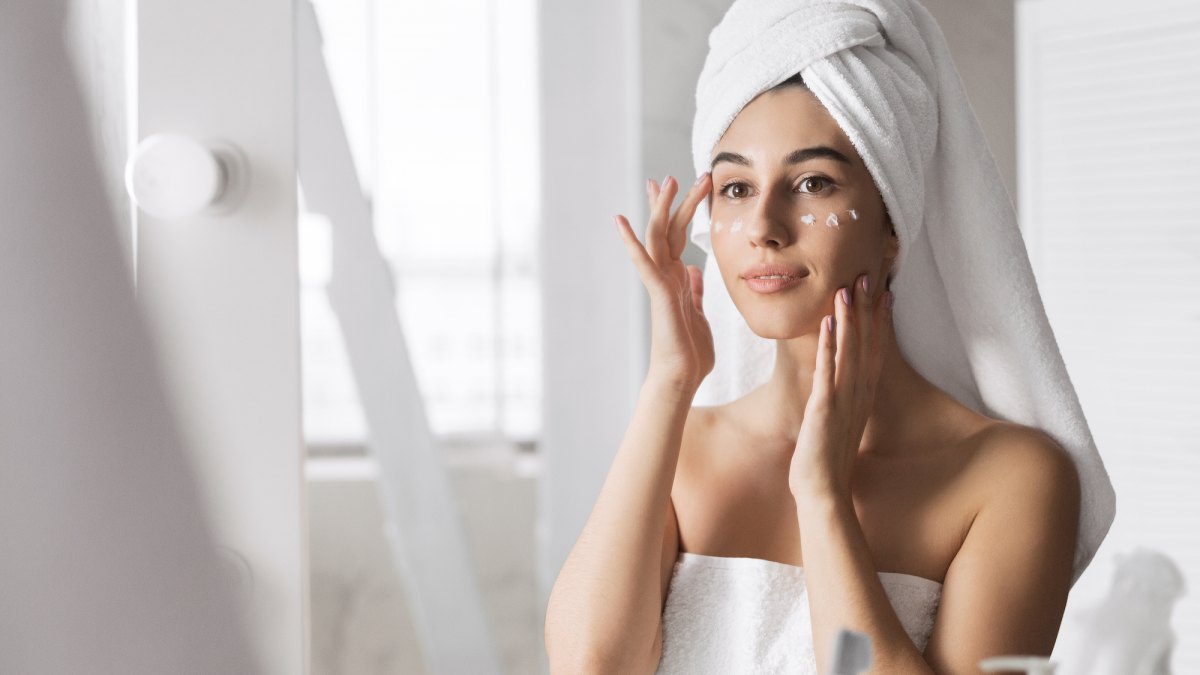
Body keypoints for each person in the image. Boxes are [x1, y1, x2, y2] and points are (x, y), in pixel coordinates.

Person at [545, 0, 1113, 670]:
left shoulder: (1013, 478)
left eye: (812, 182)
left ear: (893, 220)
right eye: (734, 188)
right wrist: (669, 383)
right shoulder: (683, 451)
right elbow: (589, 665)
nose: (763, 226)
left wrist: (822, 497)